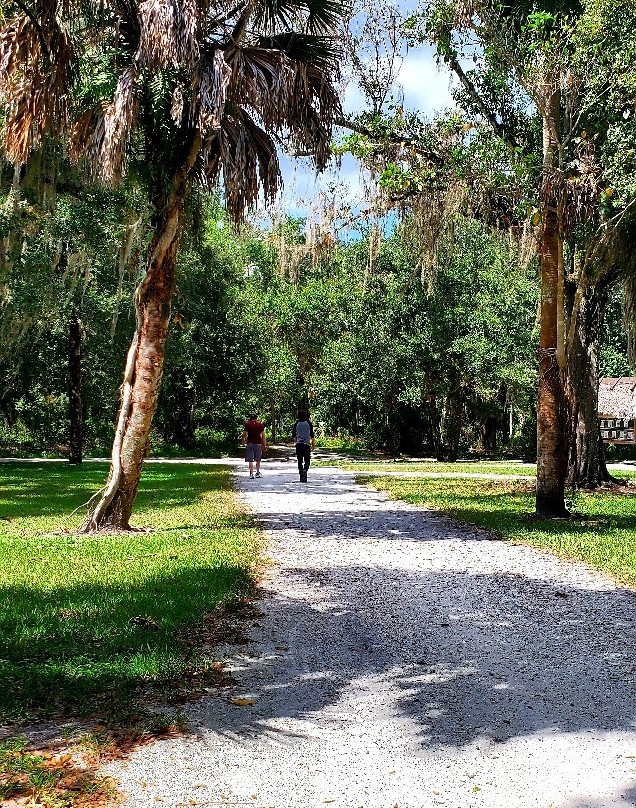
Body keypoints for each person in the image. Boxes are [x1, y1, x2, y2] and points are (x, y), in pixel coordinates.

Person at [292, 409, 315, 482]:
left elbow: (294, 436)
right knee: (307, 459)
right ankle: (305, 469)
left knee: (300, 460)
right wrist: (313, 445)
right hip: (306, 444)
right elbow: (312, 436)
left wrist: (296, 442)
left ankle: (301, 473)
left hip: (299, 445)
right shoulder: (309, 423)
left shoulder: (296, 424)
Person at [242, 413, 266, 479]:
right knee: (258, 459)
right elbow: (263, 436)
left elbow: (244, 434)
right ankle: (257, 472)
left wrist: (243, 441)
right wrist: (264, 445)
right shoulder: (260, 425)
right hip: (258, 443)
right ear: (256, 418)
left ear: (250, 418)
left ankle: (251, 474)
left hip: (250, 443)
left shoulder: (247, 424)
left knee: (250, 459)